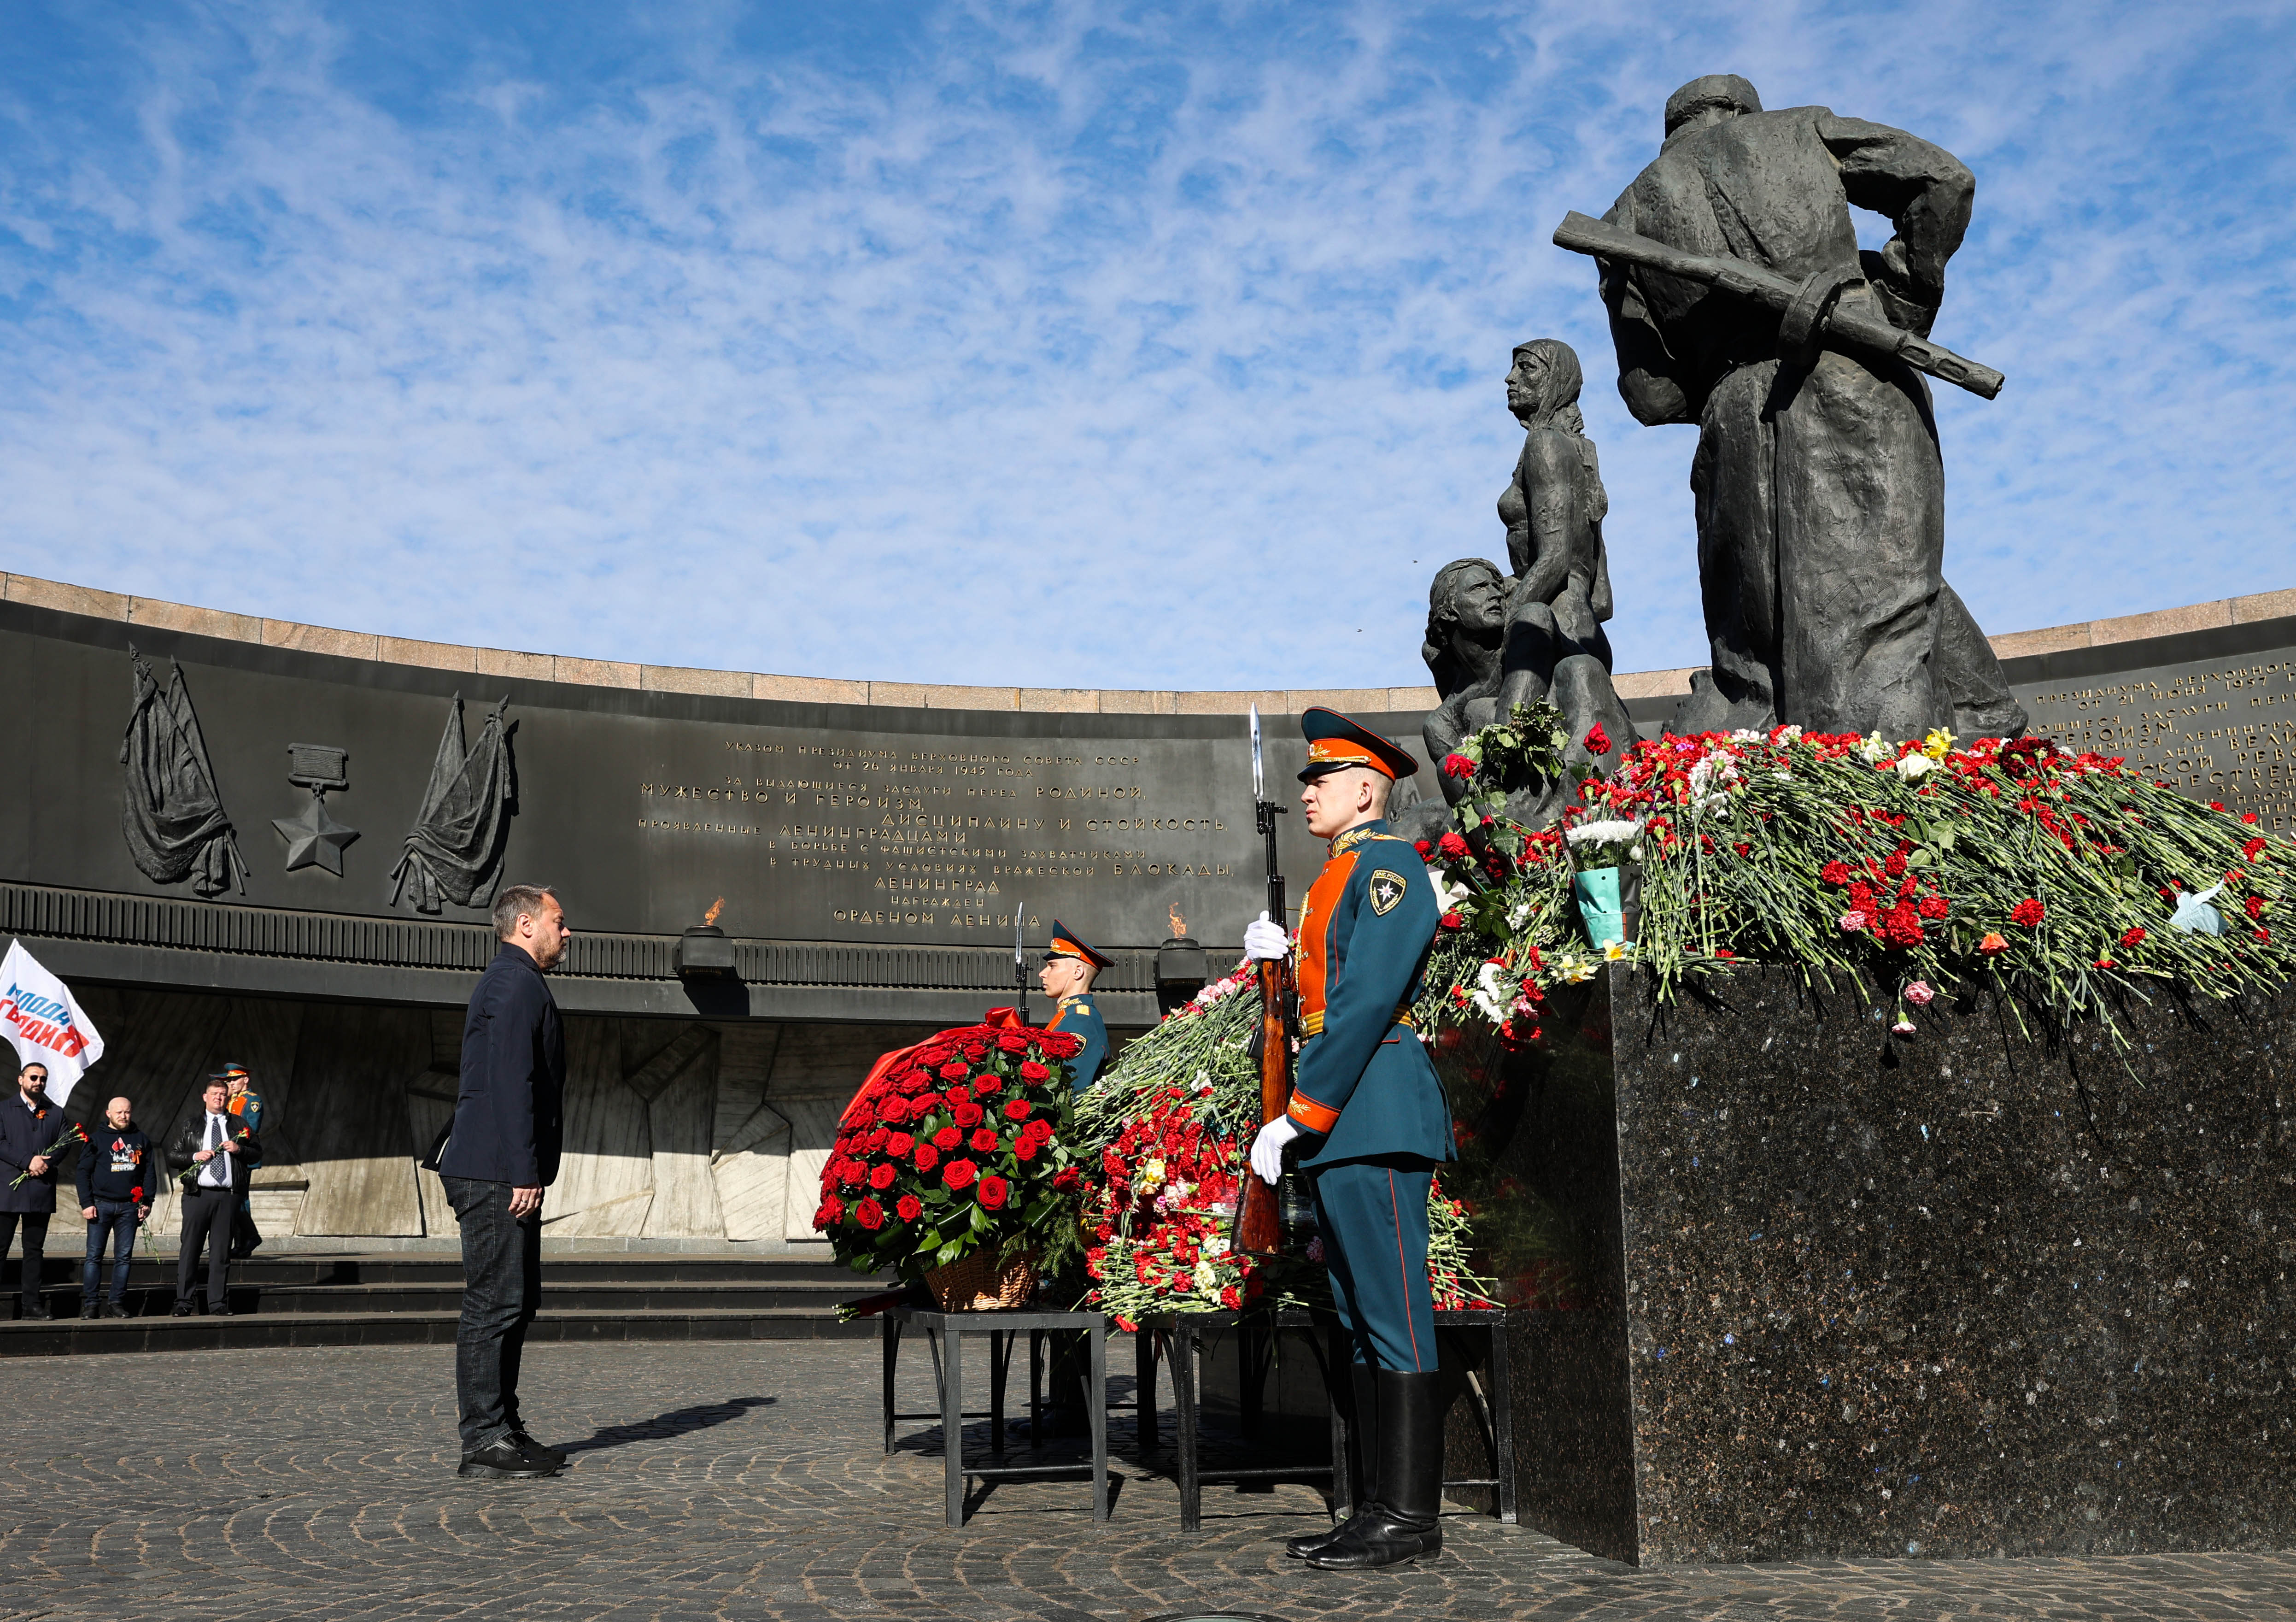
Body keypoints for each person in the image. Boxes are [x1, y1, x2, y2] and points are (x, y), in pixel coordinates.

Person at [1596, 74, 2026, 741]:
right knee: (1884, 612)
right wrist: (1899, 301)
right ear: (1741, 110)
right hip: (1853, 373)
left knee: (1755, 658)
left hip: (1731, 413)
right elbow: (1944, 180)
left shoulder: (1623, 216)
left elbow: (1651, 395)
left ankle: (1982, 729)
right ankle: (1910, 804)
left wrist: (1724, 372)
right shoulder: (1800, 129)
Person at [1243, 708, 1451, 1570]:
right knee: (1362, 1322)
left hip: (1369, 1112)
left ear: (1365, 789)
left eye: (1319, 780)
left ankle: (1409, 1519)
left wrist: (1303, 1109)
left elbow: (1366, 1001)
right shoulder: (1339, 876)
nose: (1305, 793)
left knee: (1394, 1321)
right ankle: (1377, 1509)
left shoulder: (1388, 867)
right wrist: (1277, 964)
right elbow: (1328, 991)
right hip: (1346, 1121)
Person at [438, 883, 571, 1480]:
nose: (567, 933)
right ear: (525, 924)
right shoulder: (515, 983)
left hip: (500, 1170)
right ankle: (484, 1437)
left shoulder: (516, 981)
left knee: (515, 1303)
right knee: (493, 1305)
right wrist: (523, 1171)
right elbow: (513, 1082)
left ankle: (505, 1428)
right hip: (494, 1173)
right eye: (558, 922)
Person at [167, 1075, 258, 1316]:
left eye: (223, 1095)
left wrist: (239, 1149)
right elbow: (173, 1156)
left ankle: (217, 1303)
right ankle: (184, 1302)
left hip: (227, 1197)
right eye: (215, 1095)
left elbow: (257, 1154)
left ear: (228, 1099)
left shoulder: (239, 1125)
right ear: (205, 1098)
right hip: (198, 1195)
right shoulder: (191, 1125)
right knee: (190, 1250)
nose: (219, 1099)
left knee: (221, 1253)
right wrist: (195, 1156)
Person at [0, 1060, 70, 1320]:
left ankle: (32, 1305)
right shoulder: (4, 1109)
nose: (38, 1083)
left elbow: (64, 1144)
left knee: (34, 1250)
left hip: (40, 1188)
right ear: (21, 1080)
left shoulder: (56, 1112)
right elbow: (0, 1143)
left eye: (43, 1079)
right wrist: (27, 1160)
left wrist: (44, 1162)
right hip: (8, 1191)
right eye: (33, 1078)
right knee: (1, 1247)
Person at [76, 1095, 153, 1319]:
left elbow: (149, 1173)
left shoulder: (141, 1139)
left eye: (127, 1112)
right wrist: (87, 1203)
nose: (123, 1116)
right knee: (94, 1257)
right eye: (119, 1112)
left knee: (124, 1257)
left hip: (130, 1207)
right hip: (101, 1206)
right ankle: (91, 1304)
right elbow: (83, 1172)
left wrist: (147, 1201)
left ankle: (117, 1302)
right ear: (108, 1114)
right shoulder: (96, 1139)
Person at [1038, 922, 1112, 1093]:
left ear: (1077, 972)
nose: (1043, 973)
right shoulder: (1069, 1016)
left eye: (1052, 966)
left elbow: (1071, 1092)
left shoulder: (1079, 1021)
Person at [218, 1063, 265, 1258]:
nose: (231, 1083)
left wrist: (232, 1143)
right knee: (234, 1198)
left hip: (243, 1153)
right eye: (229, 1080)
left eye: (235, 1079)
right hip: (229, 1154)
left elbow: (250, 1129)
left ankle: (246, 1241)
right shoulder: (231, 1100)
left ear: (246, 1080)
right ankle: (240, 1243)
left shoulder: (253, 1101)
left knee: (240, 1199)